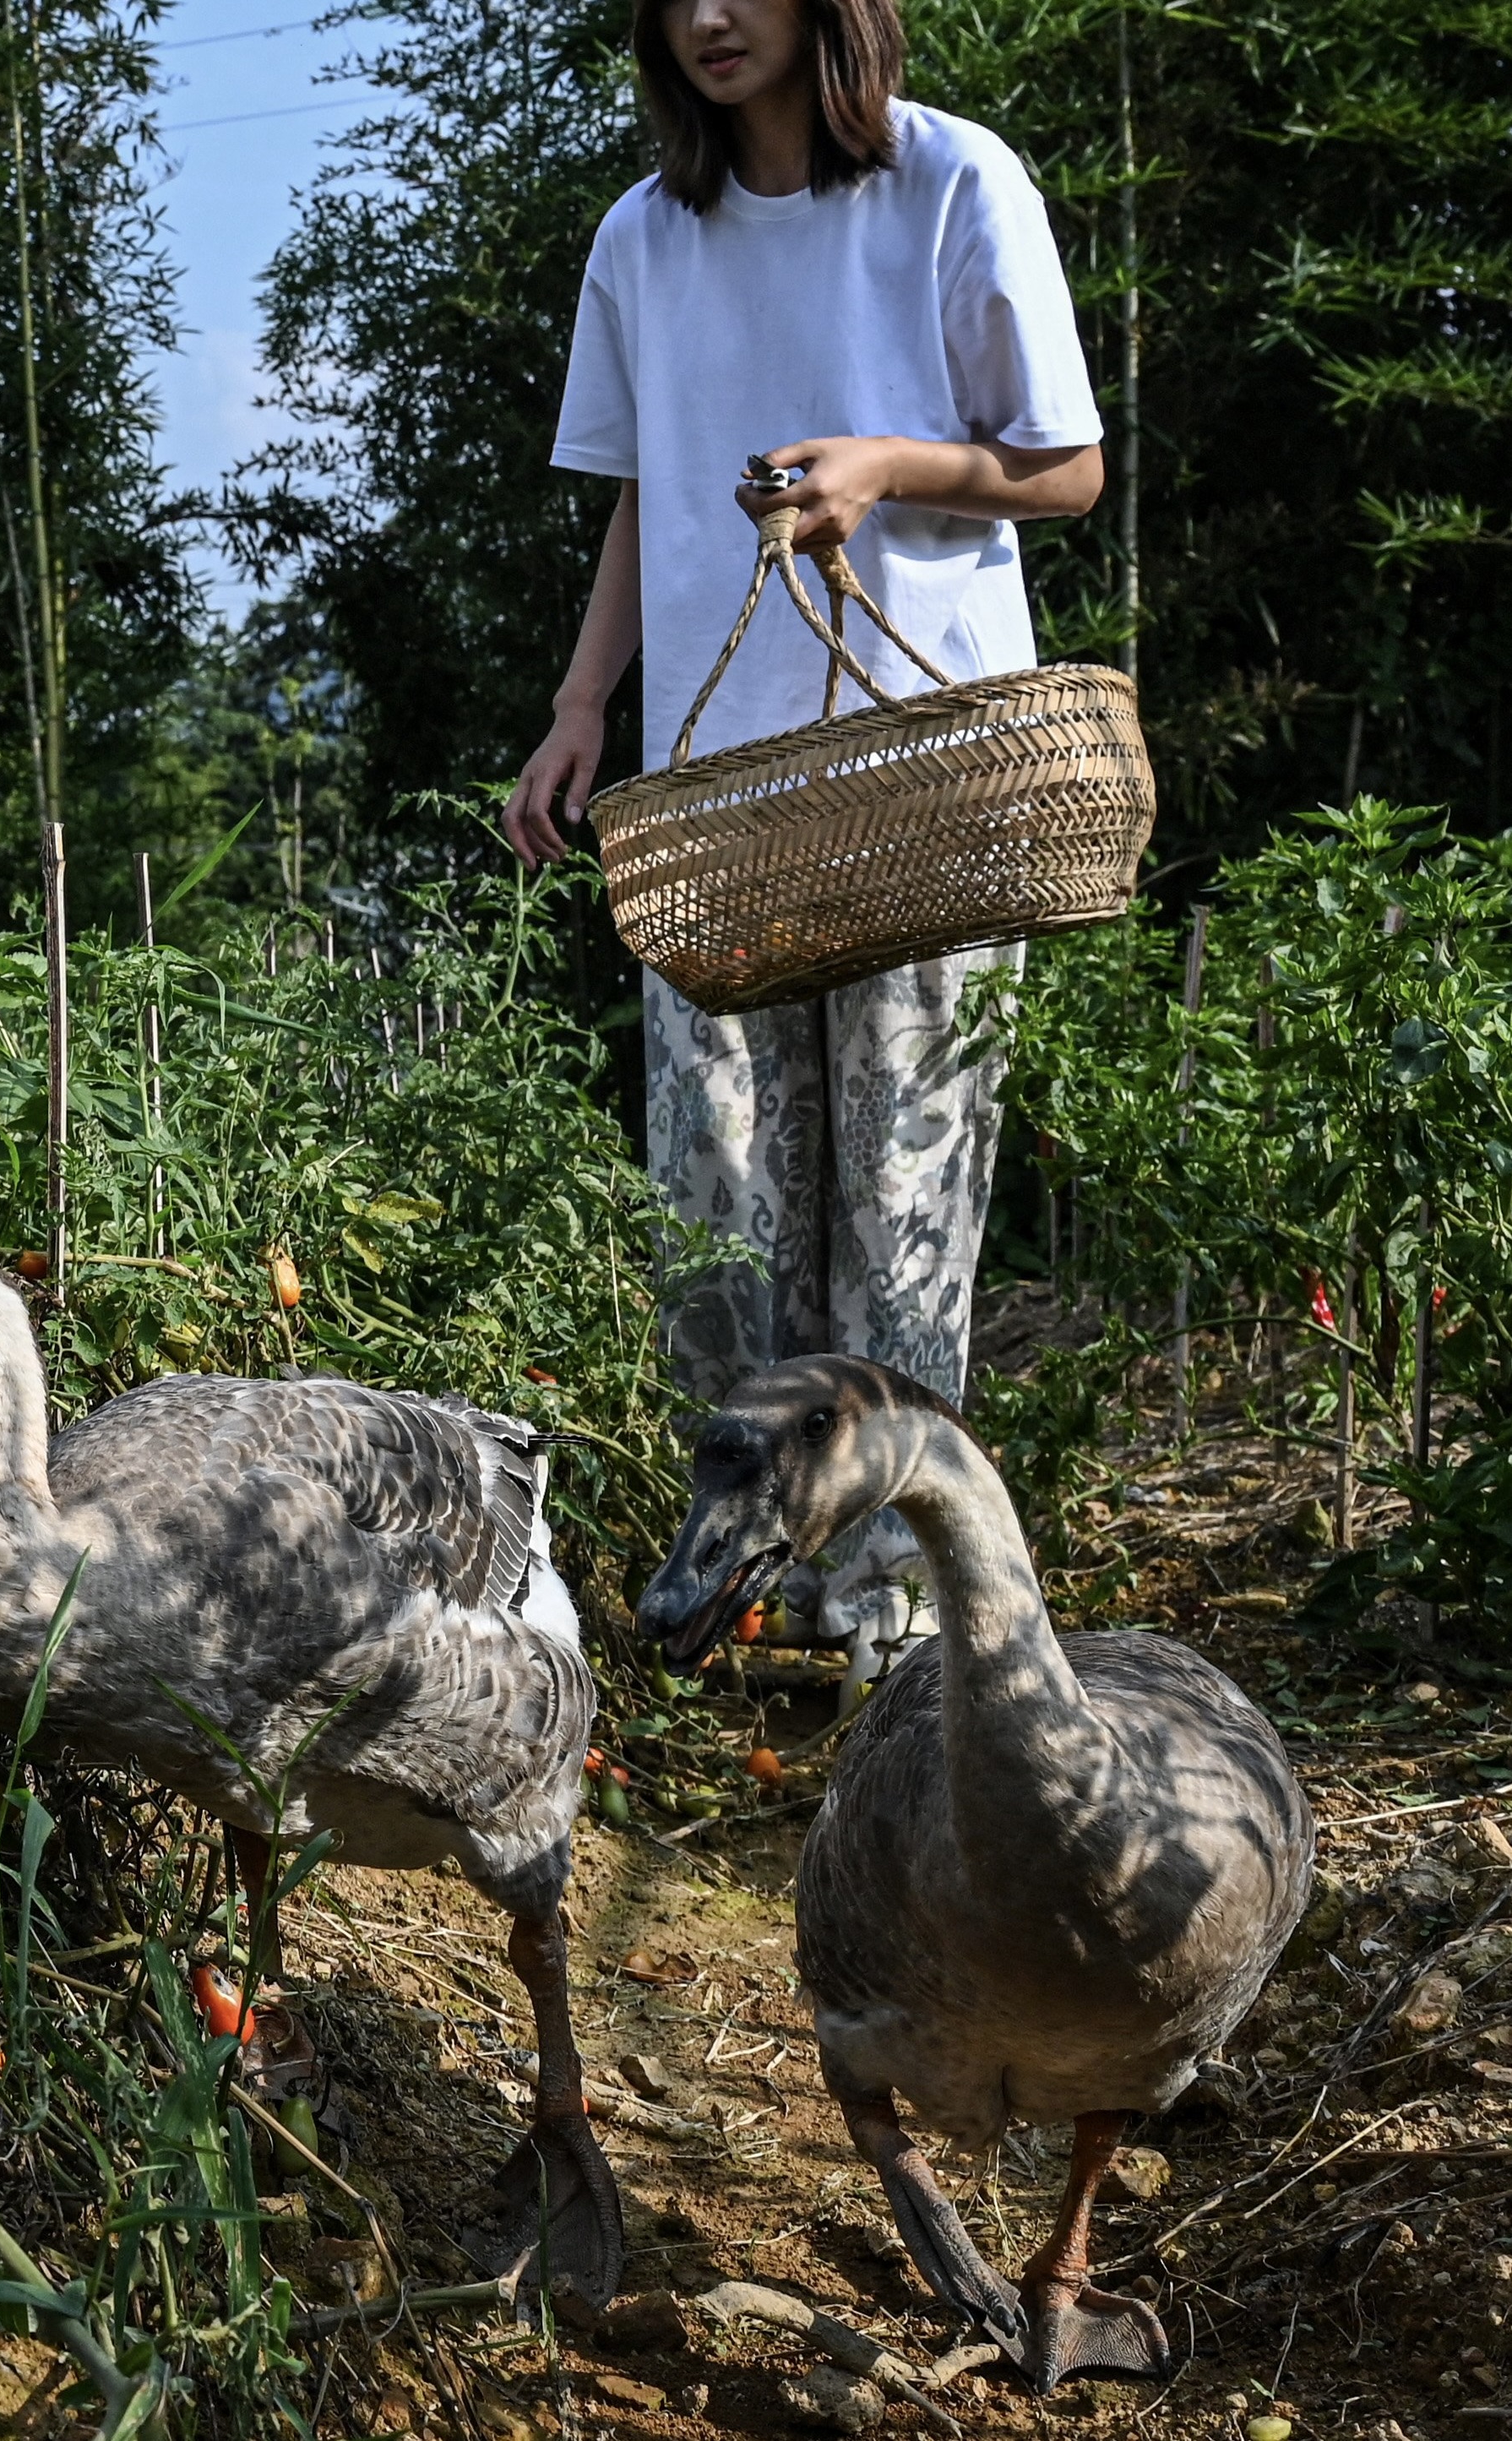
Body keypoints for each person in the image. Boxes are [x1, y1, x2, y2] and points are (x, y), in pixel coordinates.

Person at [505, 0, 1101, 1672]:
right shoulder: (642, 234)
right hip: (717, 801)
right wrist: (576, 706)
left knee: (901, 1207)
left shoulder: (953, 181)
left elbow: (1066, 468)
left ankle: (893, 1610)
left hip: (921, 779)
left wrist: (886, 468)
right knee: (712, 1202)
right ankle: (741, 1581)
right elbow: (649, 490)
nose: (708, 16)